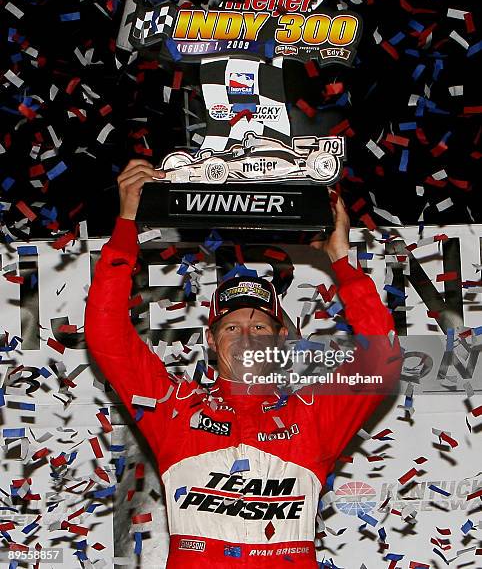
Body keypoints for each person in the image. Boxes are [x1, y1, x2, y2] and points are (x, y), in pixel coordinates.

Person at [85, 159, 402, 568]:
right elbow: (105, 331)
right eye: (232, 328)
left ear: (282, 339)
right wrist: (127, 221)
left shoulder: (312, 415)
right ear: (210, 342)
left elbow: (384, 359)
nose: (248, 338)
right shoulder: (174, 409)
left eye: (260, 327)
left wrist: (342, 259)